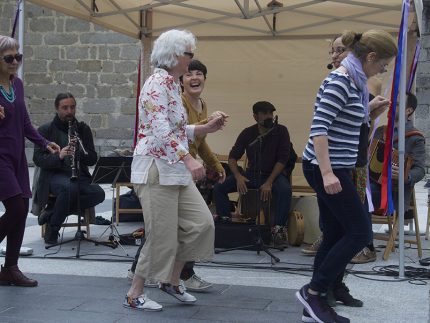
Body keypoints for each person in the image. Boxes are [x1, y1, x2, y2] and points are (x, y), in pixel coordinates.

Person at [296, 29, 397, 323]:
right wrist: (327, 173)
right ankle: (313, 294)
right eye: (383, 65)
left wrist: (370, 110)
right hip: (325, 167)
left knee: (339, 232)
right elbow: (320, 129)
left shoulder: (355, 81)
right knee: (360, 233)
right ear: (371, 57)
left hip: (337, 166)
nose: (383, 70)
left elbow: (345, 121)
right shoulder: (340, 81)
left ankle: (316, 300)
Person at [124, 29, 226, 312]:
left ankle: (171, 280)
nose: (191, 61)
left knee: (202, 225)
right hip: (156, 168)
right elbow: (158, 131)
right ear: (174, 55)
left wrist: (203, 128)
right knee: (160, 235)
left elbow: (176, 129)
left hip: (173, 169)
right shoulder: (157, 83)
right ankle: (135, 293)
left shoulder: (171, 84)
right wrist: (189, 159)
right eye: (188, 54)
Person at [0, 35, 60, 287]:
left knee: (22, 210)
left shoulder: (18, 85)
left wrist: (44, 142)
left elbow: (24, 122)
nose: (15, 62)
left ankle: (10, 268)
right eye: (9, 58)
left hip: (16, 157)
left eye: (18, 57)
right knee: (14, 207)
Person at [214, 101, 292, 247]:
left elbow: (283, 159)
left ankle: (278, 231)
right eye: (265, 113)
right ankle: (226, 225)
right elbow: (232, 157)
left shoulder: (281, 131)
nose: (269, 116)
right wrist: (238, 176)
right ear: (255, 116)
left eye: (271, 113)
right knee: (220, 187)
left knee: (285, 190)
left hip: (273, 176)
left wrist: (269, 182)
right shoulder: (248, 133)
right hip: (251, 174)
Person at [32, 92, 105, 245]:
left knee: (99, 193)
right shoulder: (46, 130)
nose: (69, 111)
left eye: (72, 107)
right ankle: (53, 228)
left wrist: (79, 152)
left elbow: (92, 159)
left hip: (79, 175)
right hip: (54, 175)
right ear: (57, 109)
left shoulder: (83, 129)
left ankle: (52, 211)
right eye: (65, 108)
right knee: (69, 189)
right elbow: (37, 159)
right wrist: (59, 156)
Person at [370, 92, 425, 220]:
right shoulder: (379, 131)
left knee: (357, 195)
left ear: (408, 110)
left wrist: (404, 175)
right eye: (392, 102)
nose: (391, 105)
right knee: (345, 190)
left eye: (397, 104)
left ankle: (361, 237)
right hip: (372, 186)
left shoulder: (415, 137)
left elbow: (420, 170)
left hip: (394, 192)